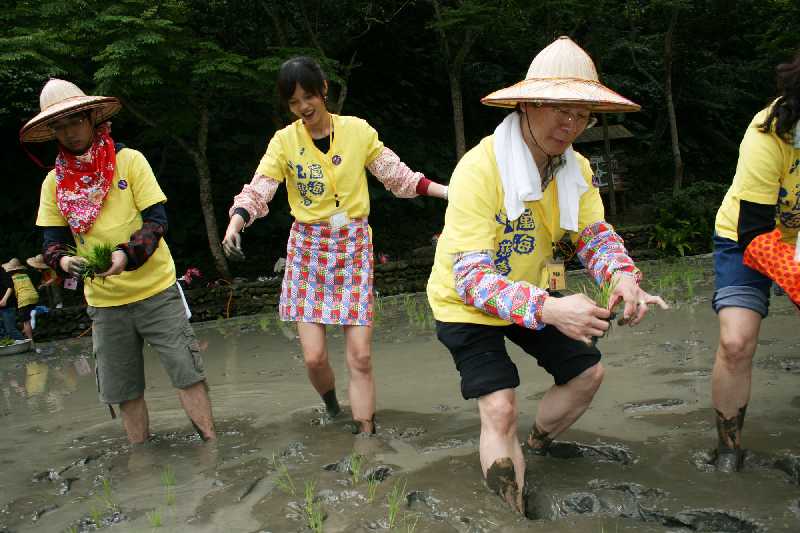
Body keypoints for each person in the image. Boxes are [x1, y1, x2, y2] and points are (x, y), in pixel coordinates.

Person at [426, 36, 667, 512]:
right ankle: (512, 513)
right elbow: (472, 278)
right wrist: (551, 309)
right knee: (500, 406)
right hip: (466, 303)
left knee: (588, 373)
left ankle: (536, 446)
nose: (571, 123)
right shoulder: (479, 170)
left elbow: (593, 234)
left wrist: (622, 278)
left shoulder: (575, 168)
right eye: (559, 108)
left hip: (534, 291)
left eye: (582, 113)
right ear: (529, 104)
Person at [223, 56, 448, 434]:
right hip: (307, 250)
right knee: (314, 358)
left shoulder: (358, 132)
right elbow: (260, 187)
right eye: (294, 103)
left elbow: (398, 176)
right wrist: (236, 222)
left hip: (353, 246)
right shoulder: (284, 142)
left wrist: (448, 192)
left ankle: (366, 433)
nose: (303, 108)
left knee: (360, 355)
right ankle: (332, 409)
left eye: (308, 97)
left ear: (324, 89)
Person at [21, 78, 216, 443]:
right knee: (124, 389)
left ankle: (211, 446)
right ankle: (140, 461)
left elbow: (157, 222)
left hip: (156, 290)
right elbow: (52, 244)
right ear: (52, 132)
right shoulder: (55, 184)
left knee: (187, 372)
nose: (71, 132)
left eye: (76, 121)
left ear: (92, 117)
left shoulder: (129, 161)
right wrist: (65, 264)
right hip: (105, 303)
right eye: (60, 126)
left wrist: (126, 254)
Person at [709, 50, 800, 472]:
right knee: (736, 342)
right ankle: (729, 446)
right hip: (747, 235)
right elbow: (753, 233)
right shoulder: (769, 133)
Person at [2, 258, 39, 339]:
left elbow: (11, 289)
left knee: (26, 322)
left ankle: (30, 342)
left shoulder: (11, 278)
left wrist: (5, 300)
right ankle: (30, 318)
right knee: (25, 317)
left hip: (23, 299)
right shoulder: (25, 275)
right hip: (34, 296)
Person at [0, 260, 25, 341]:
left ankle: (25, 345)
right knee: (3, 331)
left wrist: (4, 299)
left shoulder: (3, 273)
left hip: (8, 305)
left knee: (11, 330)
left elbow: (10, 286)